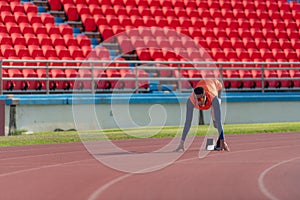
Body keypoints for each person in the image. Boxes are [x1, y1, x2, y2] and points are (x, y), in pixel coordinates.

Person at [174, 78, 230, 152]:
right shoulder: (191, 101)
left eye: (200, 99)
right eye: (197, 100)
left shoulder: (213, 99)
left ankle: (220, 141)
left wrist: (224, 141)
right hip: (204, 84)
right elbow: (188, 122)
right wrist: (182, 142)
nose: (199, 102)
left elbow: (219, 121)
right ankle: (220, 141)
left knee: (216, 124)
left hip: (216, 86)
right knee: (189, 121)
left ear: (205, 96)